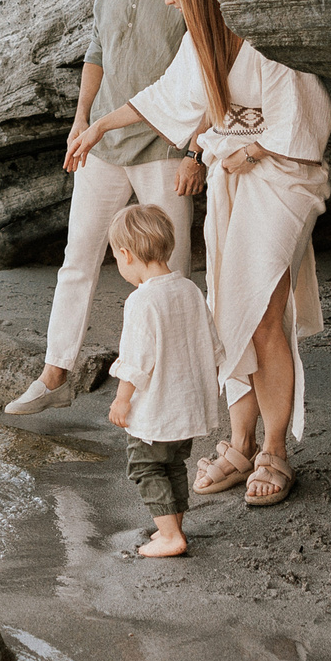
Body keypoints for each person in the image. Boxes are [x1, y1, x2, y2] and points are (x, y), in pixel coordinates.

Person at [67, 0, 331, 508]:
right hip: (232, 176)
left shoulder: (262, 33)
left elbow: (305, 115)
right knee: (229, 308)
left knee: (264, 314)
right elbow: (163, 96)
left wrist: (252, 149)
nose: (167, 1)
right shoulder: (199, 40)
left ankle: (274, 451)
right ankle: (240, 444)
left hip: (284, 179)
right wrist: (97, 126)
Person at [5, 0, 199, 415]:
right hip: (104, 142)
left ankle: (168, 380)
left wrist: (195, 152)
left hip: (163, 143)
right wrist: (81, 118)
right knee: (78, 257)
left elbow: (205, 69)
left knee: (171, 267)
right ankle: (55, 373)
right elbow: (96, 51)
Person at [105, 203, 225, 558]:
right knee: (173, 465)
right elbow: (212, 347)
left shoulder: (142, 301)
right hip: (187, 407)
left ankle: (171, 536)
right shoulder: (189, 289)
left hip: (156, 411)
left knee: (145, 467)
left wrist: (122, 400)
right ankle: (173, 527)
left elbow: (135, 361)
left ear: (126, 255)